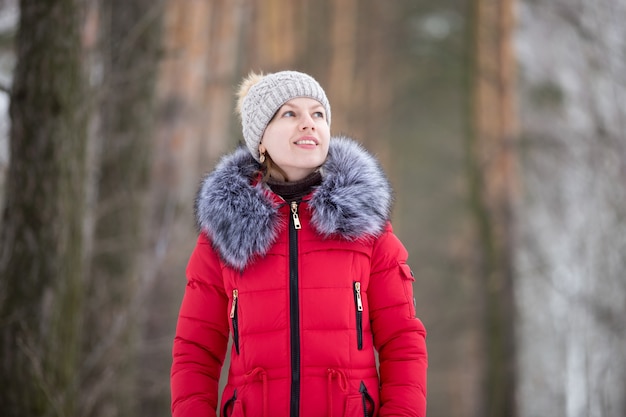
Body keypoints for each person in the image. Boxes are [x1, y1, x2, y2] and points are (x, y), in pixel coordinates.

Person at [170, 70, 428, 417]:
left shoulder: (365, 226)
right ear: (260, 139)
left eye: (317, 114)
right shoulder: (224, 230)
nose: (308, 123)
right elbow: (195, 351)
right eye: (290, 114)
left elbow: (403, 341)